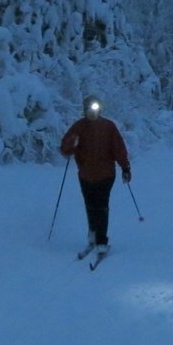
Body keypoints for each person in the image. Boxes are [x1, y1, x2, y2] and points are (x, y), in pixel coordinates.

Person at [60, 95, 132, 256]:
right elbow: (65, 149)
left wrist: (125, 168)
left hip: (106, 175)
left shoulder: (108, 127)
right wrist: (71, 143)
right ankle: (92, 234)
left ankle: (101, 241)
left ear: (100, 109)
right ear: (84, 110)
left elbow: (119, 148)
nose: (92, 113)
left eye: (95, 109)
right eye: (89, 110)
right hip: (85, 174)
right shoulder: (79, 127)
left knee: (101, 207)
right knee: (90, 205)